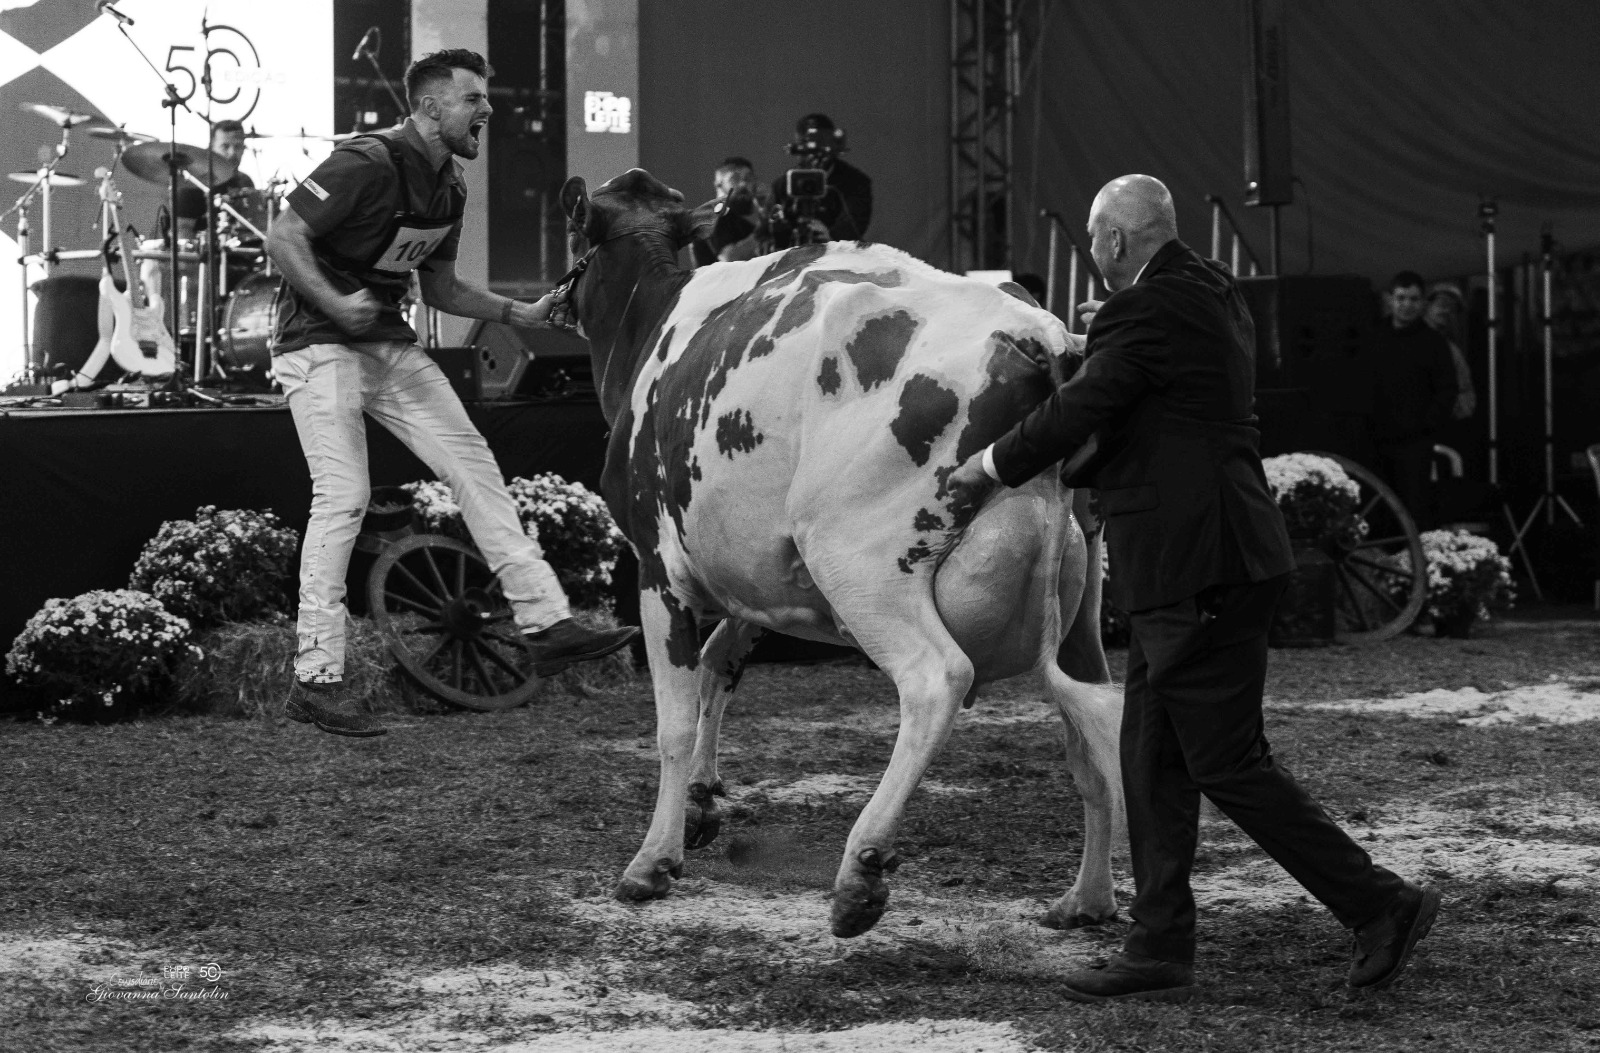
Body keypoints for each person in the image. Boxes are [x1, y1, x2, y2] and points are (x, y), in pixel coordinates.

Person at [947, 175, 1439, 1002]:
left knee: (1226, 763)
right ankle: (1160, 943)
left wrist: (986, 466)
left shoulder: (1143, 310)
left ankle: (1380, 902)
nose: (1094, 259)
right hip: (1208, 556)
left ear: (1111, 242)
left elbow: (1090, 407)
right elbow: (1155, 408)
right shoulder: (1211, 289)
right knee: (1152, 759)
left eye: (1095, 246)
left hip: (1194, 562)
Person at [265, 48, 637, 738]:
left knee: (473, 462)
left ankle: (545, 621)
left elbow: (439, 288)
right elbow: (282, 235)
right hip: (316, 344)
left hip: (383, 344)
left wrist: (517, 313)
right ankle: (315, 678)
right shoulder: (365, 163)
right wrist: (333, 303)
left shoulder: (451, 186)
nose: (487, 110)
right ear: (431, 107)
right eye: (473, 99)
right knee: (343, 496)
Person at [1372, 272, 1458, 530]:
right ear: (1390, 300)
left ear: (1422, 303)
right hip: (1376, 439)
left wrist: (1425, 425)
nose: (1406, 305)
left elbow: (1447, 390)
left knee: (1414, 508)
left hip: (1414, 442)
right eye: (1401, 298)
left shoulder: (1433, 343)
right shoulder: (1374, 337)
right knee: (1379, 508)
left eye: (1413, 299)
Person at [769, 113, 871, 247]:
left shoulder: (856, 182)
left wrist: (832, 237)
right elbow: (765, 234)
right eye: (807, 146)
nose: (815, 155)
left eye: (821, 145)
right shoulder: (782, 185)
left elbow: (856, 227)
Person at [174, 119, 256, 242]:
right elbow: (182, 232)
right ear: (211, 148)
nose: (232, 153)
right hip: (204, 256)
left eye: (238, 146)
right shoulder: (192, 183)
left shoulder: (245, 181)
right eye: (225, 146)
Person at [691, 157, 771, 266]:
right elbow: (730, 259)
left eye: (748, 178)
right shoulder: (712, 218)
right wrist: (764, 224)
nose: (743, 184)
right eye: (735, 179)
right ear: (719, 185)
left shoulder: (745, 227)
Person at [1425, 281, 1476, 421]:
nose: (1447, 311)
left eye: (1453, 308)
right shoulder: (1407, 340)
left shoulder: (1452, 352)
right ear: (1428, 305)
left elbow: (1468, 397)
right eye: (1442, 304)